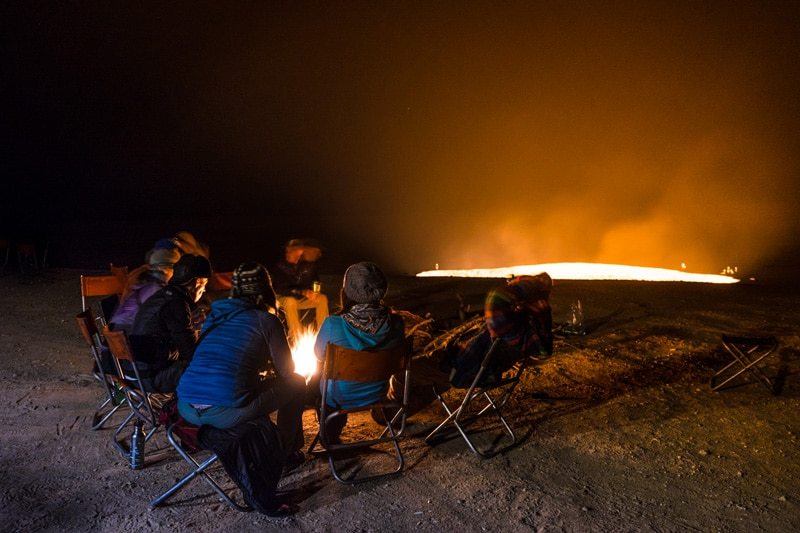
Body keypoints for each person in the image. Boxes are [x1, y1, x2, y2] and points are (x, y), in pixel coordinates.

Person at [177, 262, 306, 460]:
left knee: (248, 388)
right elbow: (288, 372)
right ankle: (285, 453)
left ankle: (274, 444)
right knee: (297, 382)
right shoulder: (266, 320)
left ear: (235, 288)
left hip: (186, 406)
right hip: (222, 412)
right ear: (266, 287)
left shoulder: (214, 317)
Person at [386, 273, 554, 417]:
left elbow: (497, 297)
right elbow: (544, 351)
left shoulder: (510, 327)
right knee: (431, 383)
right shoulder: (537, 328)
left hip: (461, 369)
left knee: (402, 371)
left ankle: (391, 413)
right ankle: (390, 415)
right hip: (474, 370)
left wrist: (525, 285)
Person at [313, 262, 405, 442]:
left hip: (338, 397)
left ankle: (330, 437)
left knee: (314, 384)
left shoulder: (333, 324)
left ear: (347, 290)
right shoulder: (397, 323)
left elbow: (318, 355)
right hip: (378, 393)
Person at [128, 254, 211, 393]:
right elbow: (190, 352)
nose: (204, 291)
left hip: (134, 371)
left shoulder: (165, 296)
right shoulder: (176, 303)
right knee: (209, 364)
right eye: (204, 286)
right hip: (149, 378)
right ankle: (202, 411)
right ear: (196, 282)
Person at [109, 246, 181, 333]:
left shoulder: (148, 281)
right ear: (165, 269)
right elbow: (162, 317)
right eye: (176, 270)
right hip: (127, 334)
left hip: (122, 332)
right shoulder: (153, 288)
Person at [271, 239, 328, 340]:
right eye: (296, 255)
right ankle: (296, 337)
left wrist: (315, 291)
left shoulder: (305, 265)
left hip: (301, 298)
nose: (298, 258)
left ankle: (324, 335)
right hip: (282, 298)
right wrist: (302, 291)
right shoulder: (279, 267)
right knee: (290, 301)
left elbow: (315, 280)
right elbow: (281, 289)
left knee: (322, 298)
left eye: (300, 255)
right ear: (289, 252)